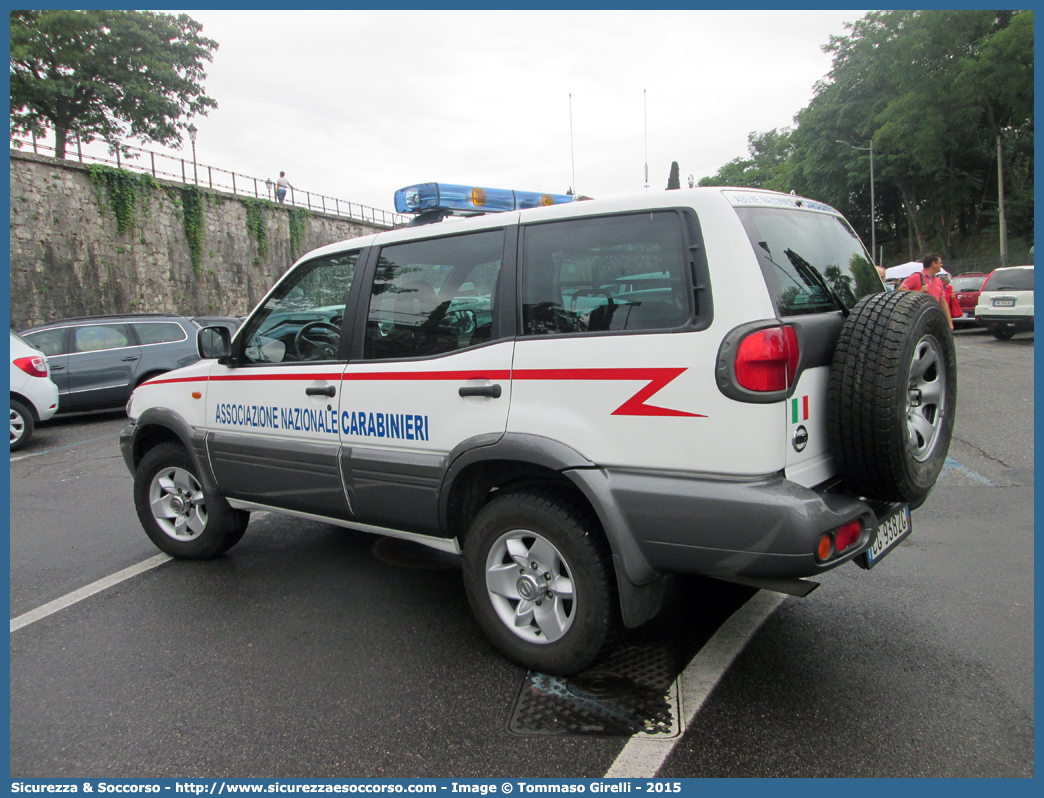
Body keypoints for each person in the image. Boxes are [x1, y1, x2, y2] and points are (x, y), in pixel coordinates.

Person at [898, 253, 953, 329]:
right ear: (934, 264)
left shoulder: (939, 281)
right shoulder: (916, 276)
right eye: (940, 262)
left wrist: (949, 322)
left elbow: (943, 302)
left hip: (934, 317)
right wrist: (920, 291)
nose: (941, 265)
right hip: (918, 318)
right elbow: (900, 290)